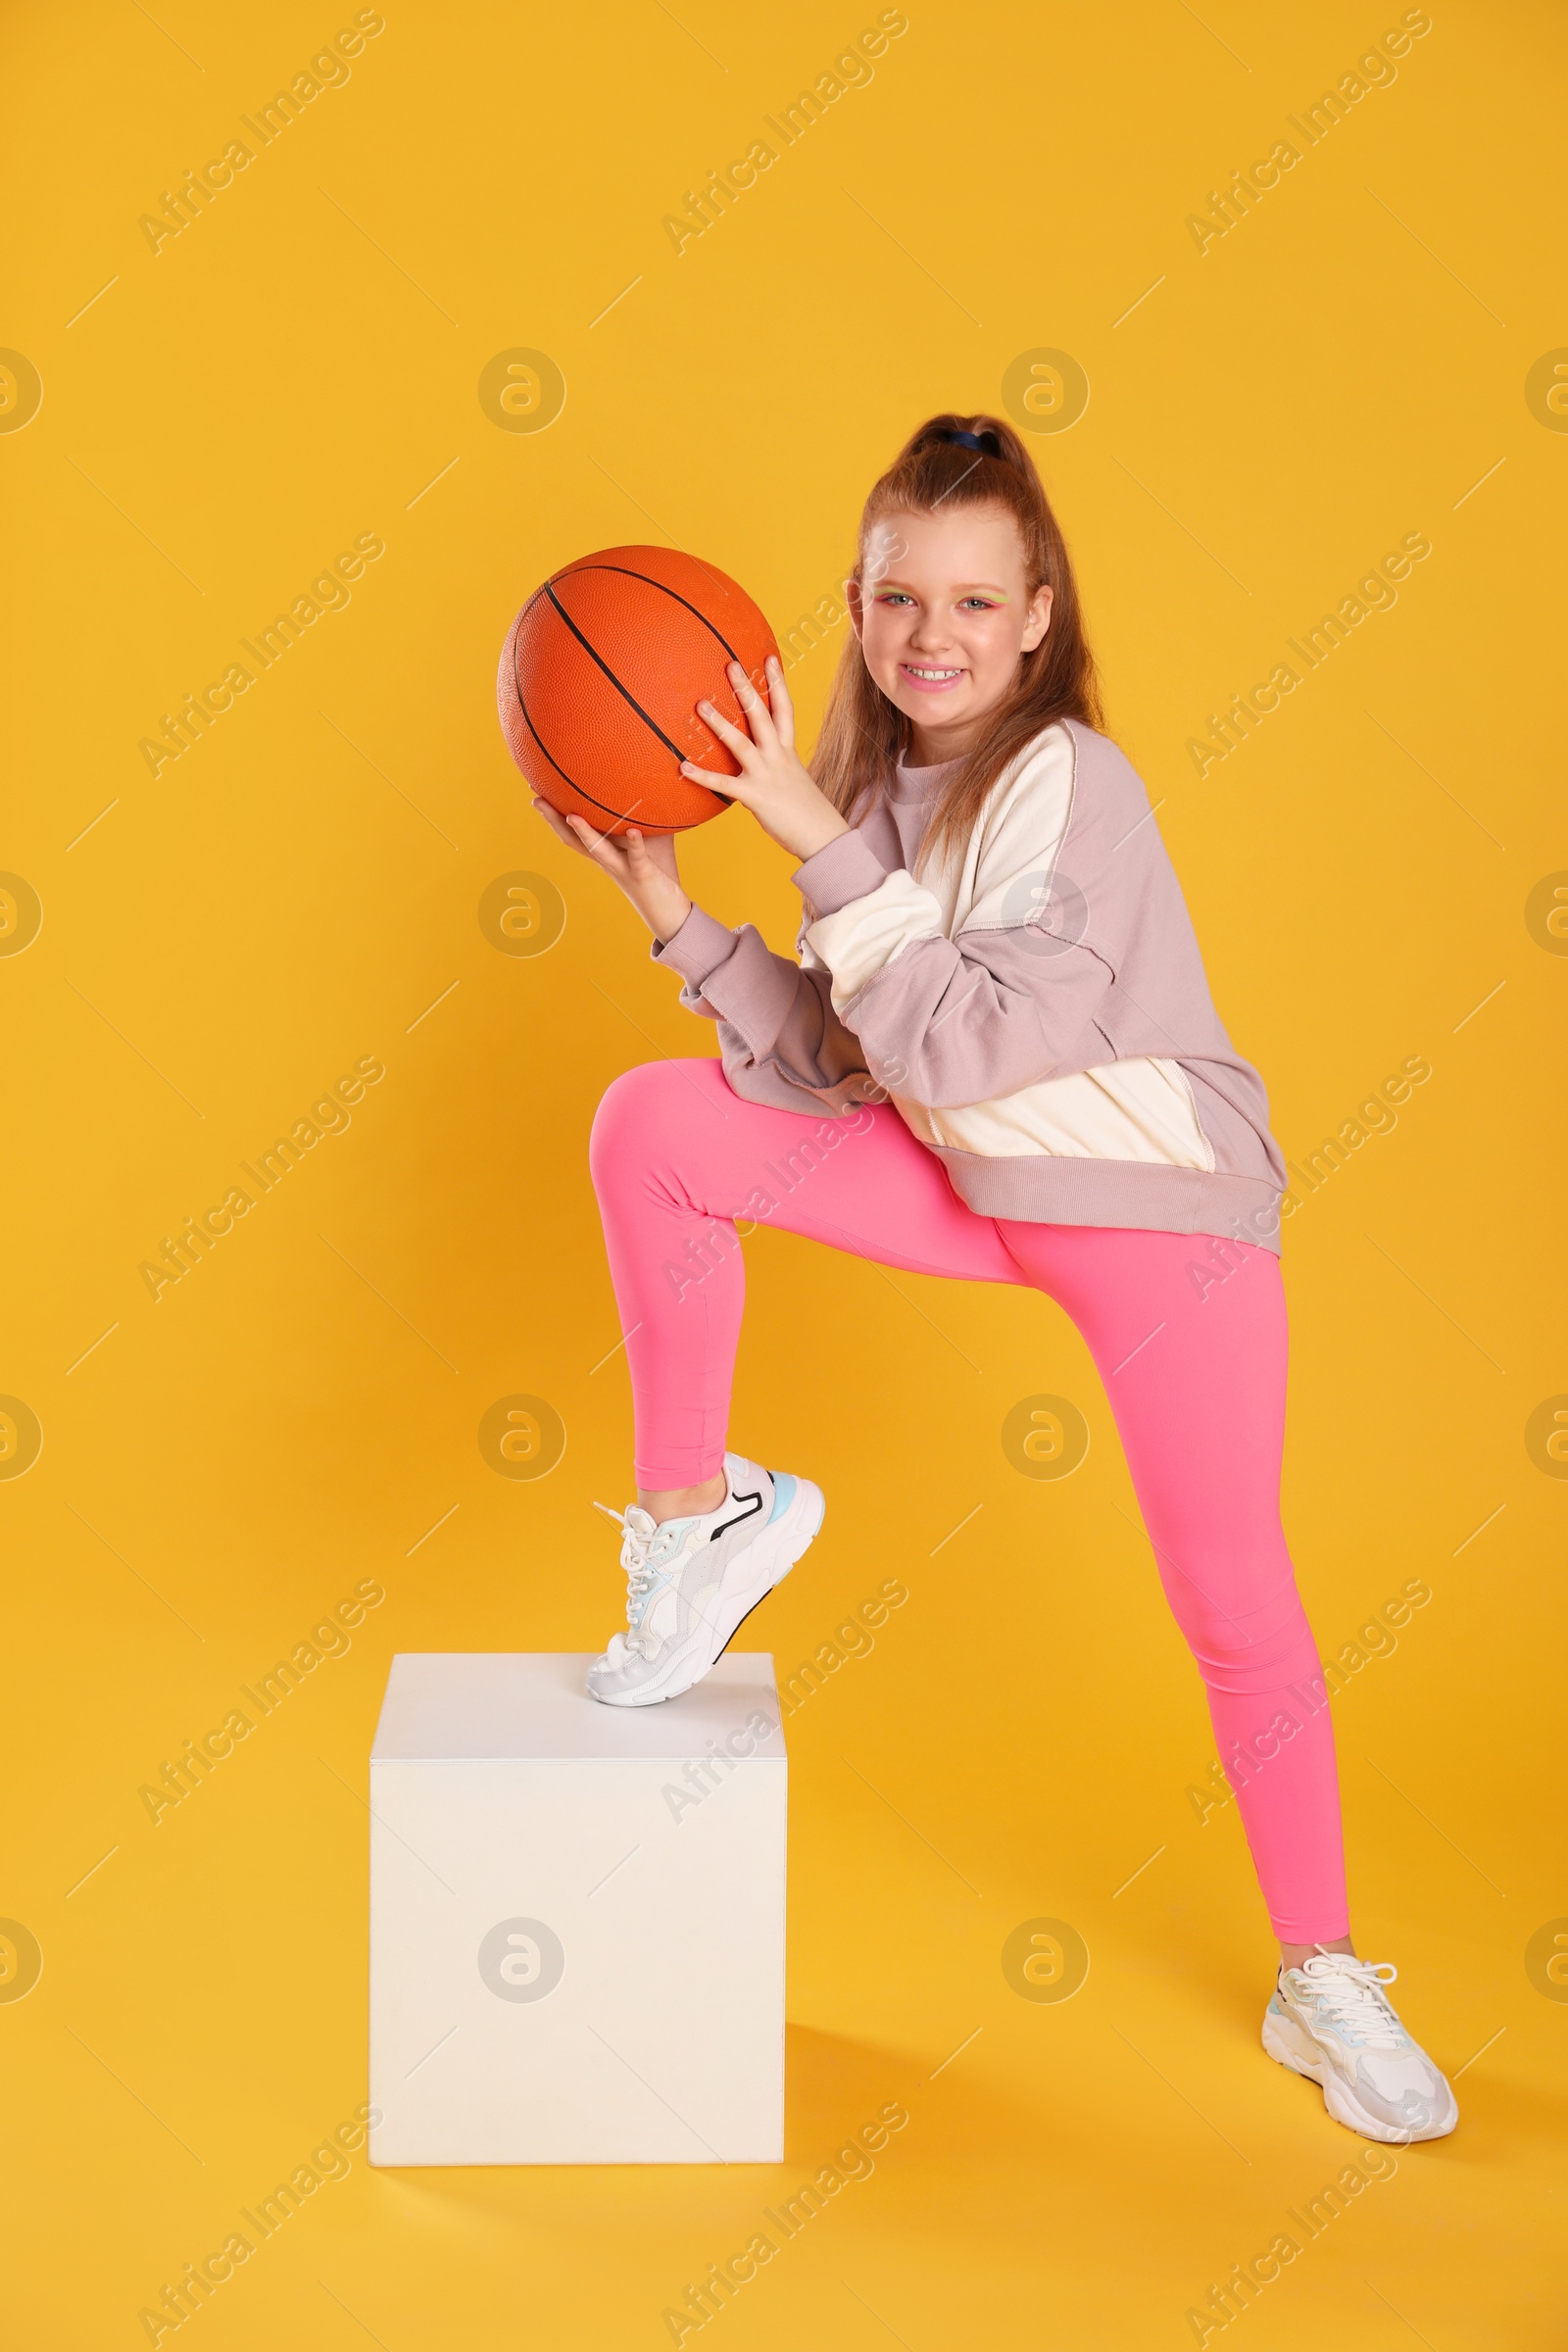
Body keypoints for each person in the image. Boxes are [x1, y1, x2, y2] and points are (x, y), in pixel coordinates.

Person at [526, 413, 1456, 2145]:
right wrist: (675, 911)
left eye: (970, 600)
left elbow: (967, 1040)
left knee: (1234, 1600)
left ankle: (1319, 1972)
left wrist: (802, 825)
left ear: (1037, 615)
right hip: (969, 1187)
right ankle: (698, 1516)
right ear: (858, 608)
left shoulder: (1072, 787)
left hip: (1152, 1211)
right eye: (894, 598)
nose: (928, 637)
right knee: (651, 1125)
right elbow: (841, 1059)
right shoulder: (876, 794)